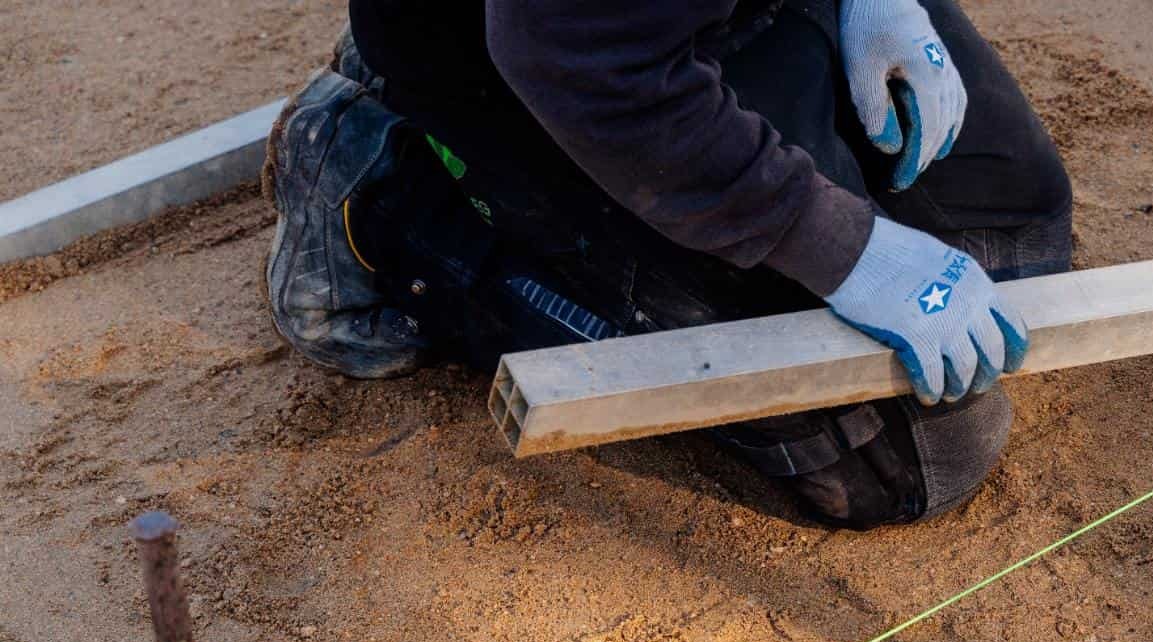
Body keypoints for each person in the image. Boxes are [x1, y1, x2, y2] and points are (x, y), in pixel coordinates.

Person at [262, 0, 1073, 528]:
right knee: (902, 457)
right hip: (562, 62)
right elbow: (574, 54)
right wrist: (840, 248)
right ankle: (383, 193)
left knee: (1015, 246)